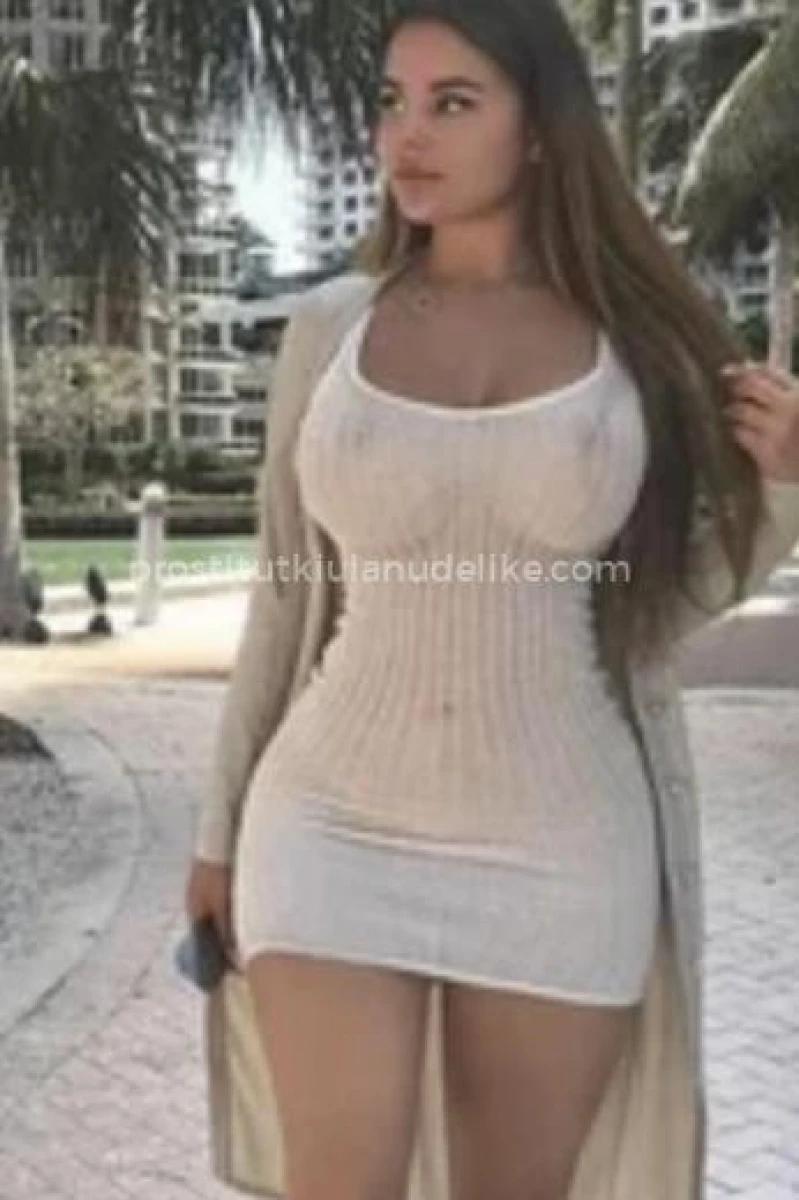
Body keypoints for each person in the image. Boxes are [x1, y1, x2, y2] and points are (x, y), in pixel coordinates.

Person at [185, 1, 799, 1198]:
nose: (406, 134)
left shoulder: (637, 349)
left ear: (539, 129)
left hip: (562, 844)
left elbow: (659, 605)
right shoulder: (330, 329)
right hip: (326, 827)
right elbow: (283, 600)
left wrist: (784, 492)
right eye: (391, 102)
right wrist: (217, 834)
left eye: (452, 102)